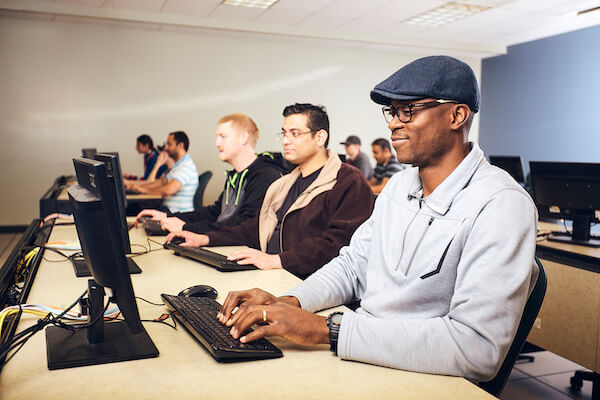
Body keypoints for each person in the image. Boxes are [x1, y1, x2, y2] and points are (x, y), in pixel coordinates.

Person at [213, 56, 538, 382]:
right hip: (363, 349)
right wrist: (289, 302)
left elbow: (477, 349)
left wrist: (325, 330)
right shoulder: (399, 186)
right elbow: (354, 266)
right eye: (392, 112)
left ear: (457, 115)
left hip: (423, 377)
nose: (393, 123)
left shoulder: (501, 205)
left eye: (407, 110)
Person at [166, 103, 374, 279]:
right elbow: (253, 227)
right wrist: (205, 239)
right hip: (274, 275)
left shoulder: (348, 182)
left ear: (320, 137)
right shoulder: (283, 184)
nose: (285, 140)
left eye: (295, 133)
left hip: (306, 283)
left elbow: (338, 245)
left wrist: (277, 260)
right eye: (283, 133)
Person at [137, 114, 285, 233]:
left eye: (223, 136)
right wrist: (169, 216)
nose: (216, 143)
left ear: (243, 138)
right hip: (226, 245)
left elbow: (244, 224)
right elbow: (216, 213)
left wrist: (185, 228)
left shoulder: (265, 175)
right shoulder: (236, 175)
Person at [125, 131, 198, 213]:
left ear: (180, 145)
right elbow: (161, 182)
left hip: (176, 213)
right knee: (130, 209)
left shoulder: (185, 167)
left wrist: (144, 190)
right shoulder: (178, 166)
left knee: (130, 211)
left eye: (169, 144)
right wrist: (136, 186)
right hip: (167, 209)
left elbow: (168, 190)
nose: (166, 147)